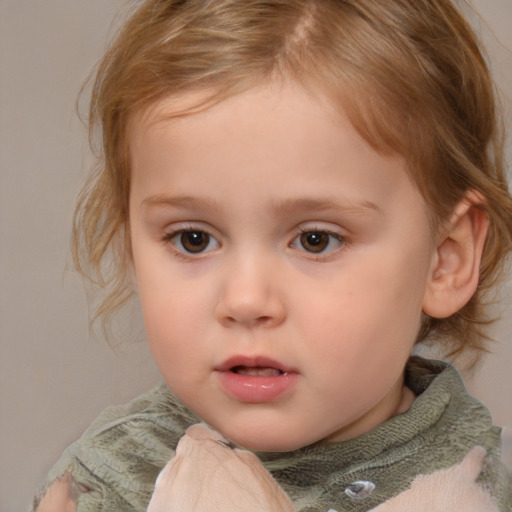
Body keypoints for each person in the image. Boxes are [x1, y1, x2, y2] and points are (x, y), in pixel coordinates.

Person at [34, 0, 512, 510]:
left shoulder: (470, 488)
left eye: (316, 240)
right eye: (193, 238)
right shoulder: (102, 486)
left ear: (445, 258)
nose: (244, 300)